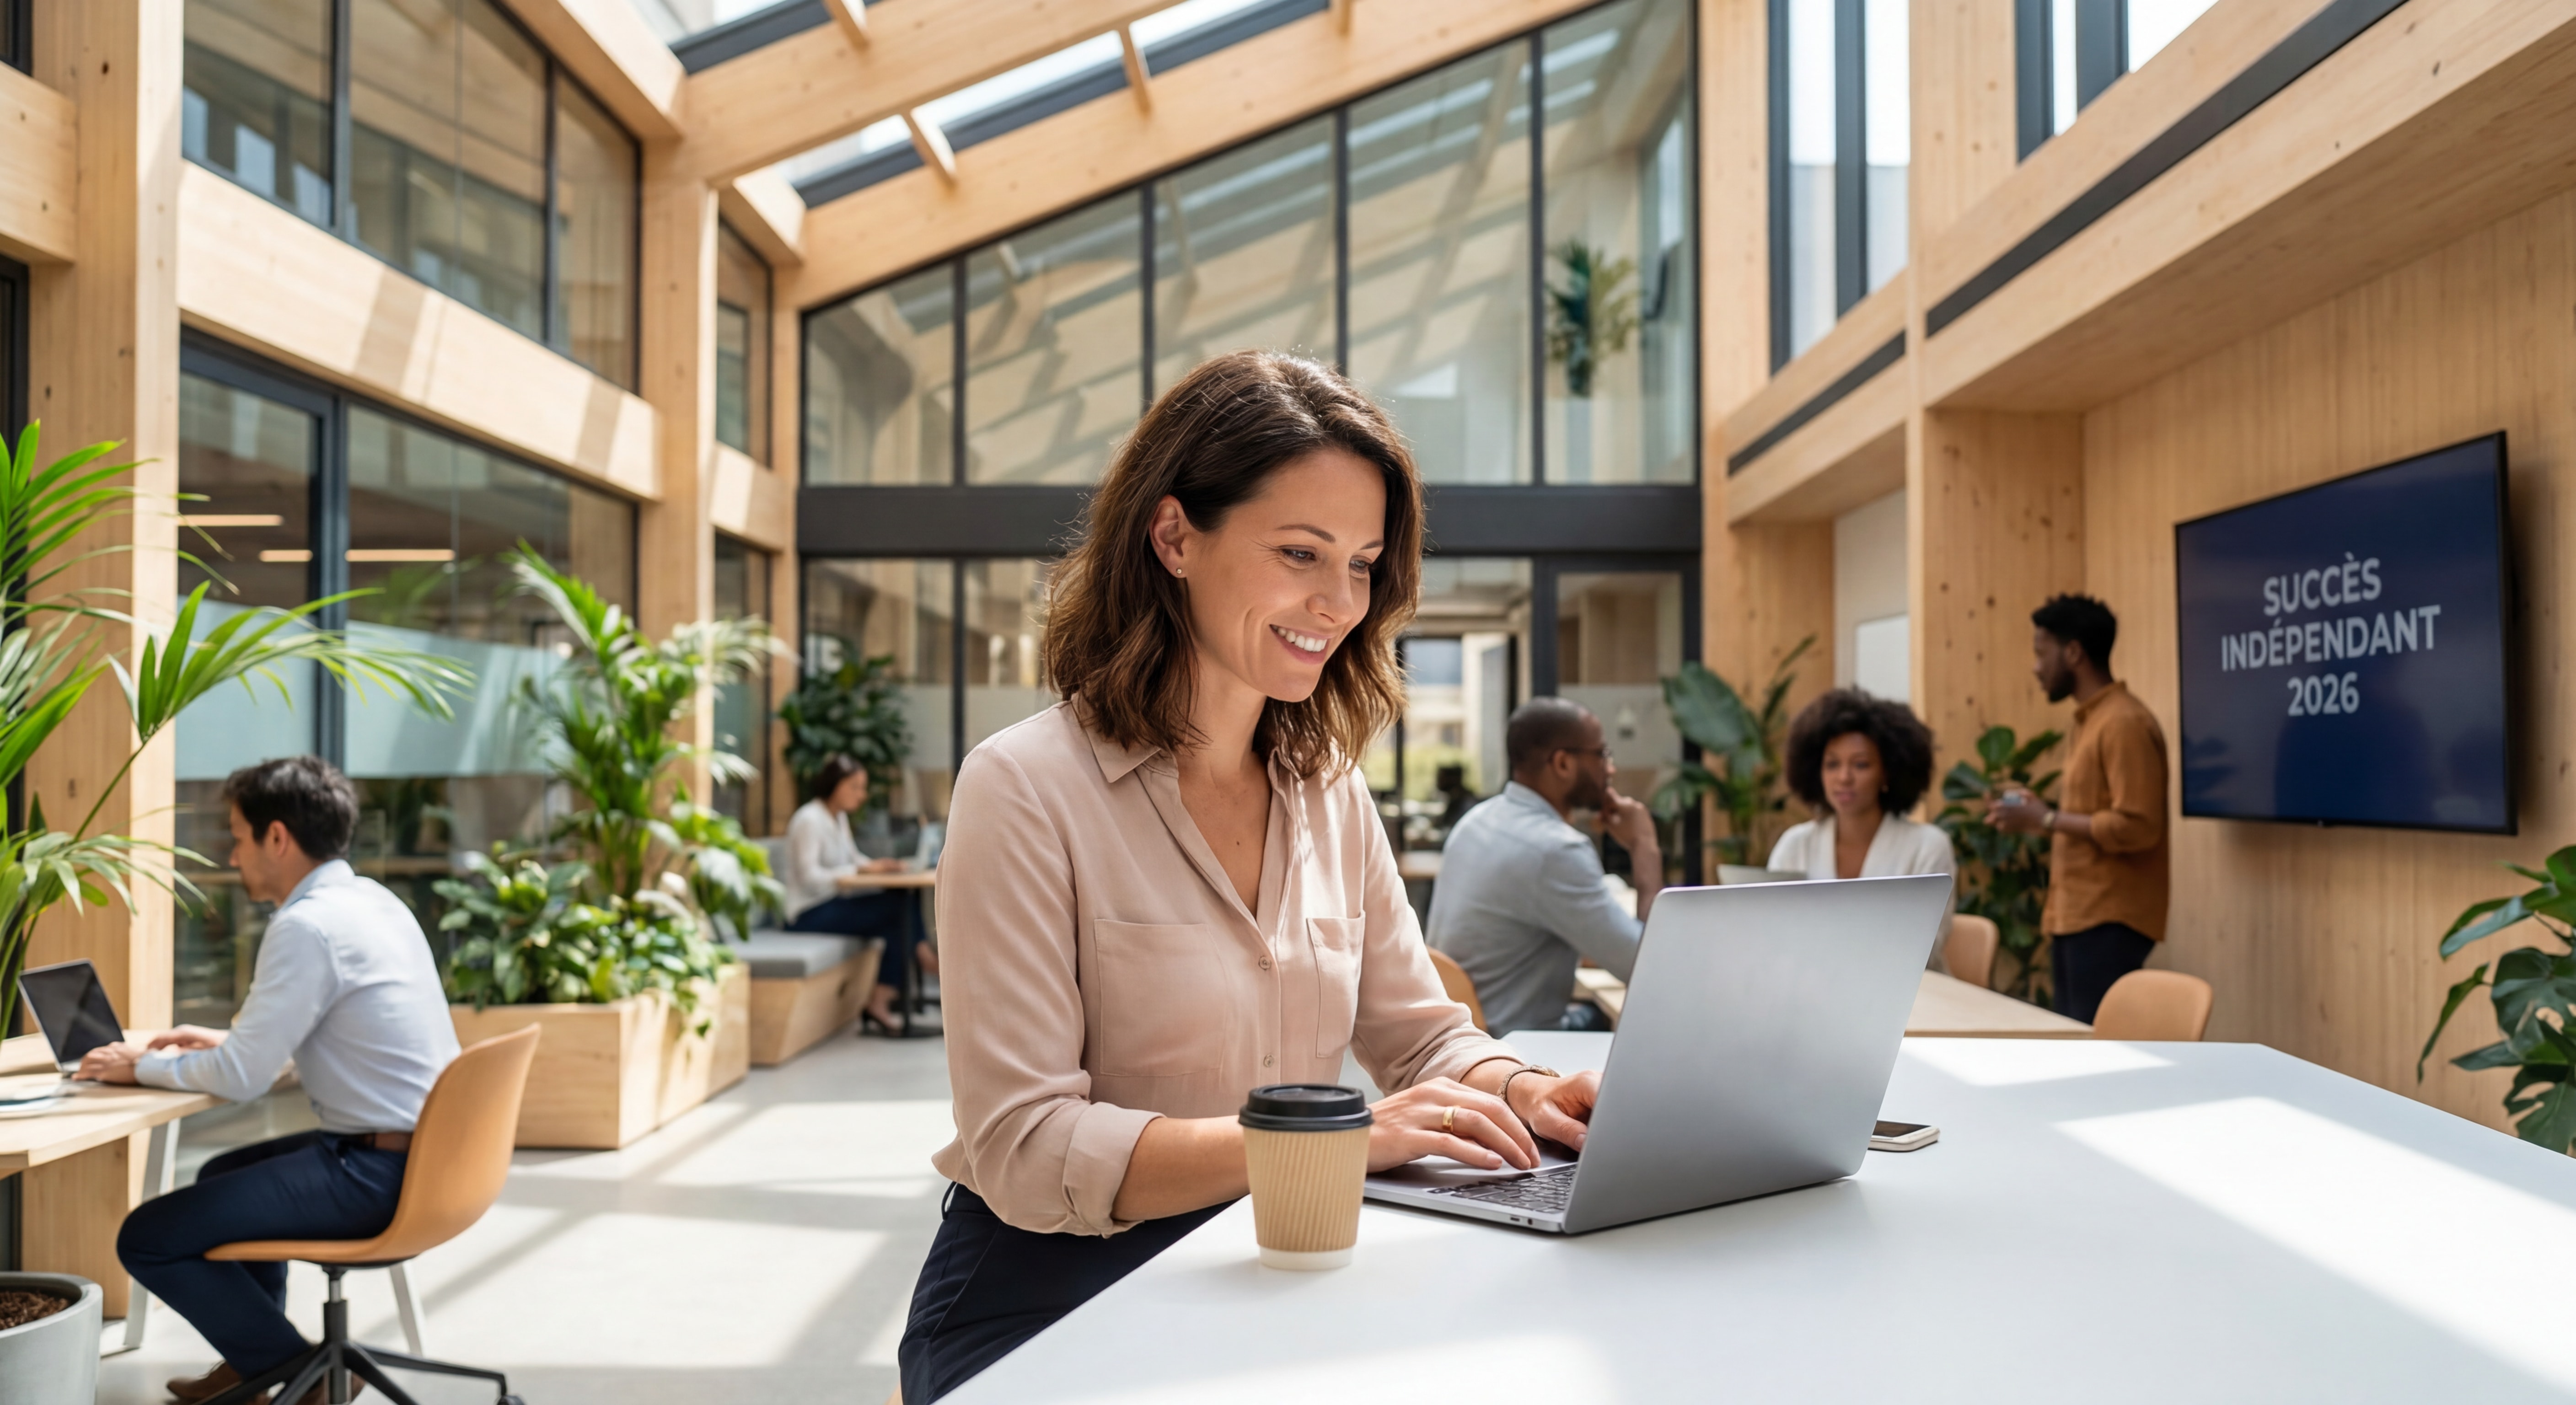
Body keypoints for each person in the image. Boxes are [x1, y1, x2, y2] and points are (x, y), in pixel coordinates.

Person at [897, 350, 1603, 1404]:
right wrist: (1332, 1140)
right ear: (1174, 535)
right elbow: (1025, 1144)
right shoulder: (1024, 787)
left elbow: (1417, 1033)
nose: (1338, 600)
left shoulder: (1328, 788)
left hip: (1271, 1266)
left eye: (1362, 562)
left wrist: (1530, 1090)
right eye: (1300, 552)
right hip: (1047, 1295)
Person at [81, 756, 459, 1405]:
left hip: (374, 1175)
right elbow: (332, 1035)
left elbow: (241, 1082)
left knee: (146, 1238)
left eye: (236, 837)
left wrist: (137, 1066)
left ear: (277, 837)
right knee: (218, 1177)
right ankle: (255, 1364)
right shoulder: (374, 902)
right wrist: (231, 1042)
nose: (232, 857)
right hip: (434, 1159)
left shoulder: (307, 927)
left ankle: (292, 1372)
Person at [1427, 698, 1664, 1036]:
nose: (1610, 769)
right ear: (1564, 763)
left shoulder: (1477, 822)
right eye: (1602, 755)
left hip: (1461, 1034)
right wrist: (1644, 847)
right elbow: (1650, 968)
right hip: (1515, 1047)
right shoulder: (1556, 850)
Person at [1986, 594, 2171, 1023]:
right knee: (2072, 1043)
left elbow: (2140, 827)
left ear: (2073, 652)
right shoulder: (2089, 721)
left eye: (2040, 653)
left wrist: (2045, 819)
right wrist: (2037, 813)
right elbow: (2091, 817)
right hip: (2075, 915)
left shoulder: (2123, 722)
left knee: (2095, 1054)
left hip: (2108, 919)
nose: (2035, 667)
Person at [1767, 688, 1957, 970]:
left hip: (1912, 999)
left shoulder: (1928, 847)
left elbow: (1923, 950)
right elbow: (1771, 937)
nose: (1844, 778)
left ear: (1888, 772)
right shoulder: (1796, 845)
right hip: (1812, 994)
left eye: (1861, 764)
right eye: (1832, 764)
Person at [782, 754, 928, 1033]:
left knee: (900, 902)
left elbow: (852, 858)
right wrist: (855, 873)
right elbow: (809, 877)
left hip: (833, 904)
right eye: (855, 787)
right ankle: (918, 962)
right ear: (835, 785)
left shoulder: (838, 818)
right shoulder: (809, 821)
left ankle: (886, 994)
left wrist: (876, 867)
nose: (861, 796)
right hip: (807, 913)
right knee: (897, 912)